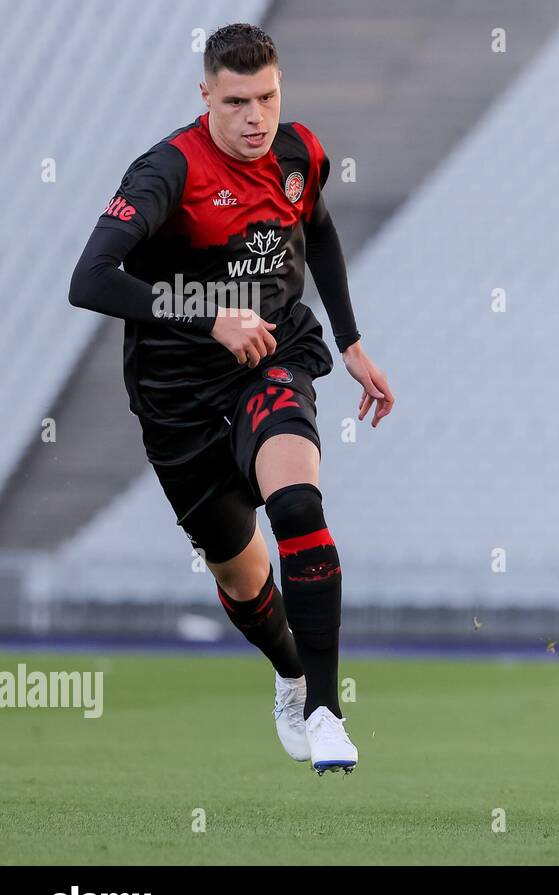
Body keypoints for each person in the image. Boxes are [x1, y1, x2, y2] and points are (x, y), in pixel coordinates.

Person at [68, 23, 395, 773]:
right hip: (176, 396)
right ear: (206, 96)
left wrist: (349, 343)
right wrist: (208, 315)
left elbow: (321, 230)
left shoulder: (298, 153)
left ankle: (324, 709)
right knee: (241, 574)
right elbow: (90, 280)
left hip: (270, 360)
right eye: (239, 101)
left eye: (269, 98)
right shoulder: (167, 172)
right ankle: (287, 670)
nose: (257, 119)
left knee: (298, 505)